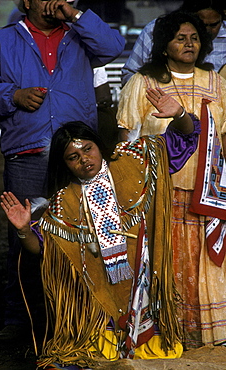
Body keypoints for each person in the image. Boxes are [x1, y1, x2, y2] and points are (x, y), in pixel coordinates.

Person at [0, 108, 200, 368]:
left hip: (143, 282)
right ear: (65, 164)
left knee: (160, 353)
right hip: (100, 298)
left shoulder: (133, 161)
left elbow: (184, 138)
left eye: (88, 149)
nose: (84, 159)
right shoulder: (64, 203)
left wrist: (180, 113)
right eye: (73, 157)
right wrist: (24, 229)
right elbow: (42, 247)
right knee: (95, 356)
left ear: (97, 144)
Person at [0, 0, 125, 342]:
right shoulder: (3, 40)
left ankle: (85, 316)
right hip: (27, 153)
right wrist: (12, 95)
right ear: (26, 2)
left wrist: (74, 16)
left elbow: (114, 46)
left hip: (73, 153)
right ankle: (21, 319)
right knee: (25, 232)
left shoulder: (78, 33)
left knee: (83, 231)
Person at [117, 10, 226, 349]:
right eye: (180, 37)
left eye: (194, 38)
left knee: (202, 263)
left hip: (206, 192)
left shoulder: (216, 82)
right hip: (159, 193)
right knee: (162, 257)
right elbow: (125, 138)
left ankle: (203, 336)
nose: (189, 43)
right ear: (164, 46)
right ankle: (162, 330)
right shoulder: (144, 83)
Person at [121, 0, 226, 85]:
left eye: (213, 25)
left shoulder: (214, 81)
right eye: (181, 39)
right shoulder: (157, 29)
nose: (206, 30)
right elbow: (130, 75)